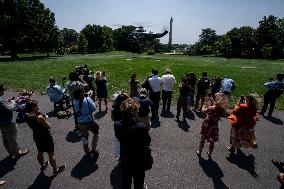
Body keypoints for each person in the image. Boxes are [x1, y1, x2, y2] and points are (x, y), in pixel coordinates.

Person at [114, 98, 151, 189]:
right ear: (134, 112)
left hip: (125, 157)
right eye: (137, 110)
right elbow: (147, 141)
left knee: (126, 182)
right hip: (139, 158)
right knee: (138, 182)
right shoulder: (141, 127)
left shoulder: (117, 125)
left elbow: (119, 138)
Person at [24, 100, 66, 174]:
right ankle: (55, 170)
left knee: (40, 152)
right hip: (45, 136)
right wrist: (44, 117)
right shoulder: (39, 117)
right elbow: (48, 126)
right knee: (51, 154)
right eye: (37, 106)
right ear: (33, 108)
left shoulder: (26, 115)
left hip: (36, 136)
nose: (38, 107)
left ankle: (42, 165)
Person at [0, 84, 29, 158]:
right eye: (3, 89)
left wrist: (6, 102)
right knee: (11, 137)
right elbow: (10, 108)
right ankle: (17, 152)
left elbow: (3, 107)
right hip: (6, 122)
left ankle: (10, 151)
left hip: (1, 123)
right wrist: (14, 102)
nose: (4, 91)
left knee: (5, 137)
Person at [196, 92, 228, 157]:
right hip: (214, 126)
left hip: (207, 124)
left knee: (203, 139)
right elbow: (215, 106)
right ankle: (210, 153)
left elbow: (203, 111)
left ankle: (199, 152)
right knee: (212, 141)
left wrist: (204, 103)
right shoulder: (221, 109)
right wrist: (212, 100)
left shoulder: (211, 108)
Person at [72, 88, 99, 156]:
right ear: (82, 93)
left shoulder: (74, 101)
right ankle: (93, 149)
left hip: (80, 122)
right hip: (89, 122)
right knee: (96, 133)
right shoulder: (87, 99)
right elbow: (94, 108)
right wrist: (90, 99)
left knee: (84, 137)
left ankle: (86, 151)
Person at [111, 91, 130, 163]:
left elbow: (112, 119)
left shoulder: (114, 109)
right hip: (127, 127)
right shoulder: (127, 108)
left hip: (118, 128)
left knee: (118, 144)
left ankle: (120, 159)